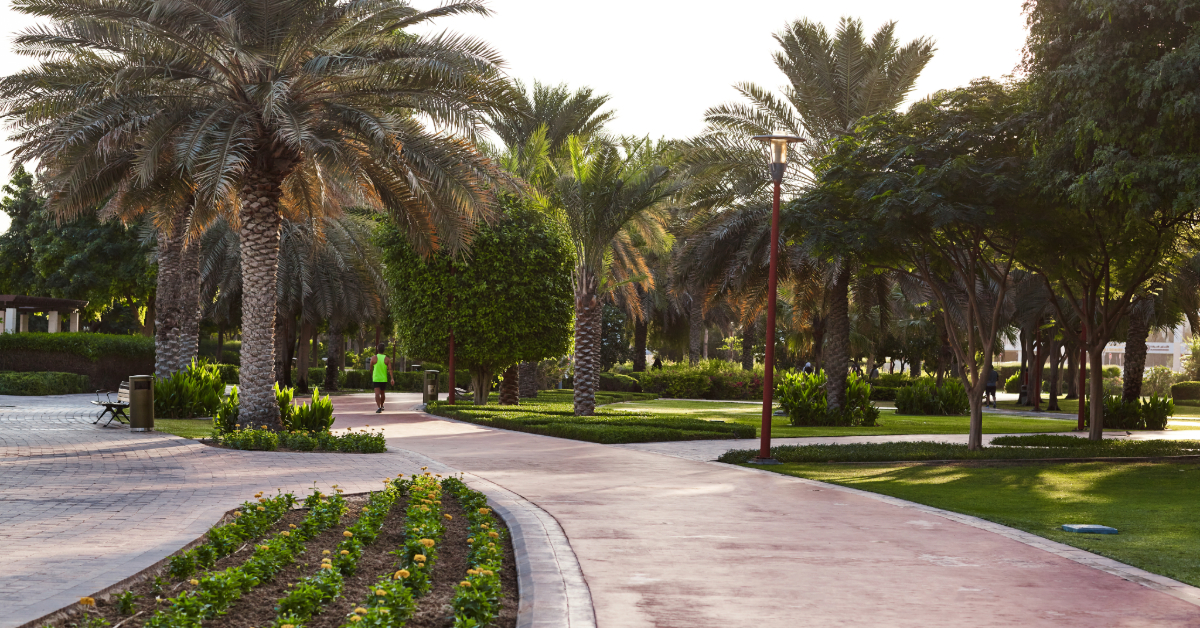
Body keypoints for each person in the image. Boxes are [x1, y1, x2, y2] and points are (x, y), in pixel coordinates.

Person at [368, 344, 394, 413]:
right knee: (382, 393)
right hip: (383, 378)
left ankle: (379, 407)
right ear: (384, 350)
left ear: (377, 349)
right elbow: (390, 369)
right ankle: (382, 405)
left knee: (377, 394)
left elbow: (370, 368)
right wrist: (392, 378)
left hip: (376, 378)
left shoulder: (373, 358)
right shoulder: (387, 359)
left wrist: (371, 375)